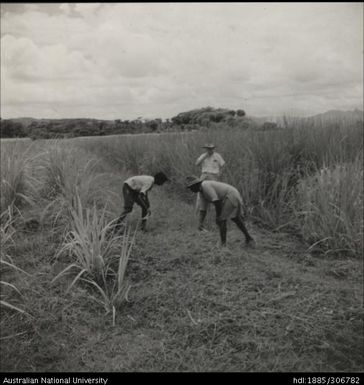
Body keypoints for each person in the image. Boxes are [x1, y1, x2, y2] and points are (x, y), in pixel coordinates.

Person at [186, 176, 255, 248]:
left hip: (231, 194)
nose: (191, 190)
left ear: (196, 185)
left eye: (191, 187)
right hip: (227, 197)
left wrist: (218, 216)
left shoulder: (205, 185)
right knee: (235, 219)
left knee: (222, 219)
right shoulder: (201, 193)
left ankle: (223, 245)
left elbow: (216, 201)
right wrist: (200, 224)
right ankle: (249, 239)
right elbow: (203, 210)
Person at [195, 144, 226, 231]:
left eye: (211, 148)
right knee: (200, 198)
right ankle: (199, 223)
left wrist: (220, 174)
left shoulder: (217, 156)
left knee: (215, 198)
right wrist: (204, 156)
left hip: (214, 176)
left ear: (213, 149)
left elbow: (223, 165)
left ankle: (218, 221)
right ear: (206, 149)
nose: (210, 150)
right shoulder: (203, 156)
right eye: (208, 149)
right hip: (204, 176)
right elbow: (197, 164)